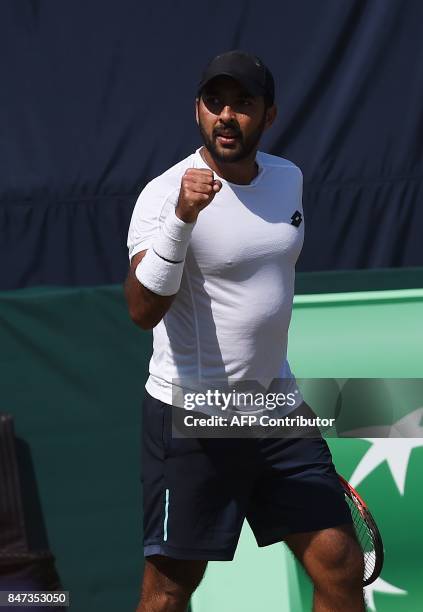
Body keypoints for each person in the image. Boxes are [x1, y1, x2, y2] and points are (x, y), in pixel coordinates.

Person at [125, 50, 365, 612]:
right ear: (198, 112)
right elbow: (140, 310)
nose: (227, 116)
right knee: (168, 591)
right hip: (193, 415)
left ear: (269, 115)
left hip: (275, 407)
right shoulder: (163, 195)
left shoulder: (289, 180)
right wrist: (183, 219)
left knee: (339, 563)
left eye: (242, 104)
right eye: (215, 103)